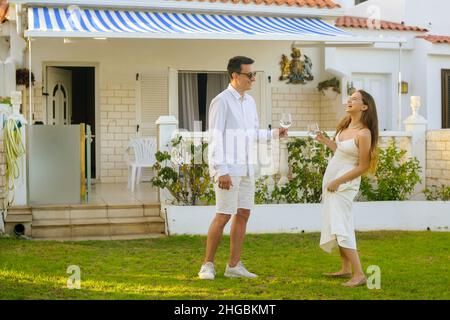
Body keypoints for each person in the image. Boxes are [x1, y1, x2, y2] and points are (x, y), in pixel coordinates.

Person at [198, 56, 288, 280]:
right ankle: (207, 265)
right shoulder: (221, 101)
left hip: (248, 167)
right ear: (235, 76)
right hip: (228, 168)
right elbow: (215, 136)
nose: (253, 79)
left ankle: (234, 266)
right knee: (223, 215)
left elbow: (252, 134)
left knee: (244, 213)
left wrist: (274, 134)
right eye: (250, 75)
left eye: (254, 74)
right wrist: (221, 169)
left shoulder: (250, 102)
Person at [315, 90, 379, 287]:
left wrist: (339, 181)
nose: (349, 101)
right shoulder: (344, 127)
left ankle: (359, 274)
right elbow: (342, 152)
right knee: (338, 223)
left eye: (354, 99)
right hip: (333, 181)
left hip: (344, 185)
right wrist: (326, 142)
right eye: (349, 98)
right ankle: (345, 269)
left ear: (365, 106)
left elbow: (363, 165)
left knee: (341, 226)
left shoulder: (364, 133)